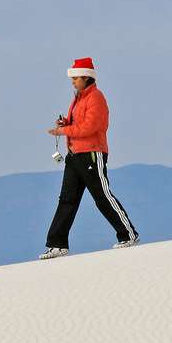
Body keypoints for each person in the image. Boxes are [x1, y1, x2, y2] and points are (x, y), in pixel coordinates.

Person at [39, 57, 139, 260]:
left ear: (86, 77)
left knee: (102, 196)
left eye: (75, 78)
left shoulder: (96, 98)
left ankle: (128, 234)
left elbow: (90, 127)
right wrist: (66, 122)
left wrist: (63, 130)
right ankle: (57, 244)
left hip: (92, 155)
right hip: (74, 156)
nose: (73, 82)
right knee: (67, 200)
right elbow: (80, 123)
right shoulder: (78, 99)